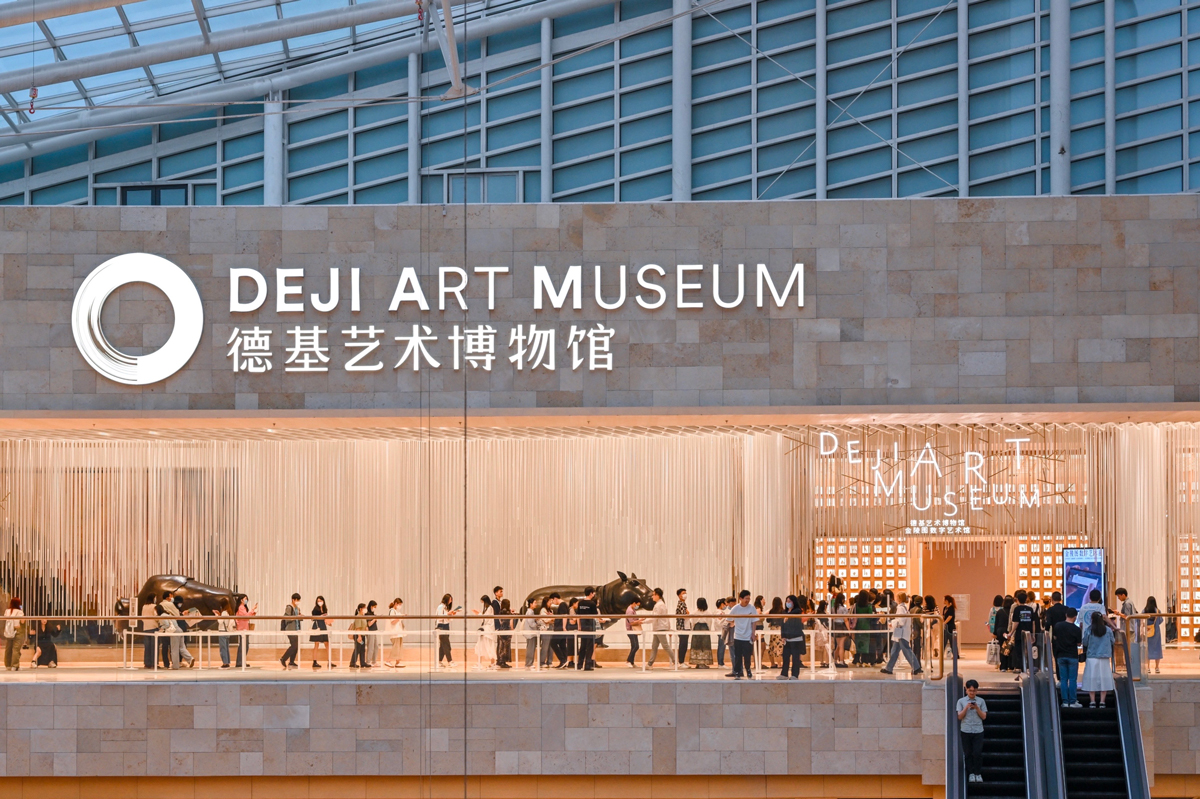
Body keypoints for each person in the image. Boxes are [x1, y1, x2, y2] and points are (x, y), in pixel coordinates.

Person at [880, 591, 922, 676]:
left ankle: (916, 667)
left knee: (906, 649)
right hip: (901, 632)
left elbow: (901, 621)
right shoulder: (903, 607)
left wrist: (893, 623)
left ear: (899, 598)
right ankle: (889, 668)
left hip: (901, 632)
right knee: (894, 650)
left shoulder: (901, 608)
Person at [1082, 609, 1116, 707]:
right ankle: (1102, 701)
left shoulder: (1089, 630)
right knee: (1104, 679)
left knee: (1091, 678)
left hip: (1092, 657)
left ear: (1092, 619)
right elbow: (1112, 641)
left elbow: (1085, 642)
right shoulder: (1108, 630)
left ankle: (1092, 701)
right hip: (1104, 657)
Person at [957, 679, 988, 784]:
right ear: (966, 690)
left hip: (978, 730)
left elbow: (984, 716)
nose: (972, 693)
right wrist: (966, 707)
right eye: (970, 691)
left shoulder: (981, 701)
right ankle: (970, 773)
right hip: (965, 730)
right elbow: (960, 716)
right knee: (968, 753)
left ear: (977, 691)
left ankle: (978, 773)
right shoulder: (961, 701)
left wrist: (977, 708)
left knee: (977, 752)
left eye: (974, 691)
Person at [1052, 606, 1082, 708]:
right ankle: (1073, 701)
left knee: (1063, 679)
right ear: (1075, 617)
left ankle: (1065, 702)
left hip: (1060, 655)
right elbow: (1078, 643)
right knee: (1073, 679)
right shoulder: (1077, 629)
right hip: (1072, 656)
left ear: (1066, 615)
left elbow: (1055, 637)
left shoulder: (1058, 626)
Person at [1008, 589, 1040, 676]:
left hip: (1020, 633)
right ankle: (1028, 666)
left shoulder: (1017, 609)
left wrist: (1011, 633)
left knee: (1019, 651)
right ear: (1026, 599)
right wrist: (1033, 634)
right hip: (1028, 633)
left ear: (1017, 600)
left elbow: (1016, 623)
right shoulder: (1030, 609)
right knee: (1028, 650)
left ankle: (1021, 667)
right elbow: (1033, 623)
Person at [728, 590, 756, 680]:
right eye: (746, 598)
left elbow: (754, 622)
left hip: (748, 636)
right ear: (740, 598)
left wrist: (753, 633)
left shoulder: (752, 608)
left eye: (749, 598)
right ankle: (737, 671)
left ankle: (748, 669)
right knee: (738, 655)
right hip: (738, 636)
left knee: (747, 655)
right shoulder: (736, 608)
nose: (747, 600)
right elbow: (729, 619)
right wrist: (734, 623)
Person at [647, 588, 676, 667]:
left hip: (660, 628)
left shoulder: (659, 605)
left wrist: (643, 621)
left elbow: (654, 617)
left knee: (665, 646)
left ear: (657, 595)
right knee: (654, 646)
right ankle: (650, 664)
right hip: (658, 628)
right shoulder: (659, 604)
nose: (652, 596)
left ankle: (676, 661)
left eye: (653, 595)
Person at [779, 595, 805, 679]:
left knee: (795, 658)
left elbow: (796, 614)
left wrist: (788, 617)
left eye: (790, 601)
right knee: (785, 657)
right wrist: (783, 636)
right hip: (787, 638)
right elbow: (782, 625)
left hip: (796, 638)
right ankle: (784, 674)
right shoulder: (784, 612)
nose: (788, 603)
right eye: (787, 601)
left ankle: (795, 674)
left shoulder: (797, 611)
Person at [577, 587, 599, 670]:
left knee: (583, 645)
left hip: (583, 625)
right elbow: (595, 615)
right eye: (593, 593)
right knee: (590, 646)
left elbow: (578, 615)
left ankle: (579, 664)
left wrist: (579, 625)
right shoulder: (592, 604)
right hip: (590, 625)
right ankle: (587, 665)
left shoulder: (580, 603)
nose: (594, 594)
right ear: (590, 593)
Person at [474, 595, 497, 670]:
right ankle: (479, 662)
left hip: (488, 630)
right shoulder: (487, 608)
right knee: (480, 646)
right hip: (486, 630)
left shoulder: (490, 608)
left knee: (489, 646)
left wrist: (479, 614)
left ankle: (492, 663)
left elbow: (486, 619)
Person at [689, 598, 713, 669]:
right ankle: (704, 662)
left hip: (697, 628)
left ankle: (697, 662)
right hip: (705, 628)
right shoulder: (708, 612)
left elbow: (692, 622)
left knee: (697, 645)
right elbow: (709, 622)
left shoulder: (694, 612)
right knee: (705, 646)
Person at [436, 594, 458, 668]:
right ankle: (450, 661)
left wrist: (451, 615)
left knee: (442, 646)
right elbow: (439, 617)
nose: (450, 601)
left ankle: (439, 661)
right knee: (446, 645)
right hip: (441, 626)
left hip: (446, 626)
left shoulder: (445, 608)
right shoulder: (441, 606)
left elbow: (447, 620)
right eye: (450, 599)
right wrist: (448, 614)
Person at [2, 598, 24, 671]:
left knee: (8, 648)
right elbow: (22, 621)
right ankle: (15, 665)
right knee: (16, 649)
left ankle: (8, 664)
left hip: (9, 631)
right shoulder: (19, 612)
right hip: (17, 631)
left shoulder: (7, 611)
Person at [491, 587, 511, 669]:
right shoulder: (495, 603)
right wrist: (498, 626)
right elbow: (496, 615)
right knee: (501, 644)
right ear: (496, 593)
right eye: (500, 591)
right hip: (500, 625)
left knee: (503, 644)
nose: (502, 593)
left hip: (501, 625)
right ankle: (500, 660)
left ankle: (502, 660)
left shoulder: (499, 602)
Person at [280, 593, 301, 669]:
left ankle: (291, 661)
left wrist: (300, 617)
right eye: (297, 600)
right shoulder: (289, 607)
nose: (298, 601)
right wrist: (296, 617)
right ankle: (283, 658)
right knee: (294, 645)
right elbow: (287, 618)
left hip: (296, 629)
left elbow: (297, 618)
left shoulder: (297, 608)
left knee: (296, 646)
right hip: (290, 629)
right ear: (293, 599)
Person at [235, 596, 257, 668]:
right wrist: (253, 609)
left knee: (245, 645)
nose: (246, 600)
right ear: (241, 600)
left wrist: (252, 612)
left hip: (244, 629)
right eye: (245, 599)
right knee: (243, 646)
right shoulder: (241, 608)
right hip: (242, 629)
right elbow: (245, 616)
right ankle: (240, 662)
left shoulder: (243, 607)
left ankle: (241, 661)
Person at [311, 596, 332, 669]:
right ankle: (314, 661)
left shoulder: (325, 609)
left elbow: (325, 619)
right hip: (317, 626)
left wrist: (329, 622)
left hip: (323, 626)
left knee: (327, 643)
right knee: (316, 644)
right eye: (318, 601)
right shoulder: (315, 609)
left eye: (320, 600)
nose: (319, 602)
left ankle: (329, 661)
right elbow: (312, 618)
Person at [1143, 596, 1163, 674]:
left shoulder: (1144, 610)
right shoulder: (1158, 611)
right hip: (1156, 632)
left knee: (1147, 649)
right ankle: (1157, 667)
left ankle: (1148, 668)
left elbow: (1140, 620)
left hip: (1147, 632)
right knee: (1157, 648)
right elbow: (1161, 620)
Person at [386, 598, 405, 668]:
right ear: (396, 604)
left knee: (399, 647)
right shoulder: (392, 611)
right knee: (396, 647)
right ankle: (388, 660)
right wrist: (400, 618)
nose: (400, 606)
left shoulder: (396, 612)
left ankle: (398, 662)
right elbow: (393, 621)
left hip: (399, 632)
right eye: (399, 604)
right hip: (394, 633)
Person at [522, 599, 542, 669]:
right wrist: (537, 624)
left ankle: (529, 663)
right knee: (530, 649)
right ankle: (528, 664)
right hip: (531, 633)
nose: (536, 604)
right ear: (531, 604)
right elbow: (531, 623)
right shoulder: (530, 612)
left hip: (531, 633)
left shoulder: (531, 612)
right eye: (535, 603)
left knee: (531, 648)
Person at [766, 597, 785, 668]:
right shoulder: (782, 611)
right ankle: (780, 663)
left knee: (772, 646)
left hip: (773, 629)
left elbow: (768, 620)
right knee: (779, 646)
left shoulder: (771, 611)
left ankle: (772, 663)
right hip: (780, 629)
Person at [140, 599, 158, 669]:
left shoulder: (144, 606)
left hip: (146, 627)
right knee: (154, 646)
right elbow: (156, 616)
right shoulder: (154, 606)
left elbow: (142, 617)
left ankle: (147, 663)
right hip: (153, 627)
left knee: (147, 647)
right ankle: (154, 663)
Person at [349, 603, 368, 668]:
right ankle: (352, 662)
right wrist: (359, 636)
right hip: (358, 635)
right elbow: (358, 628)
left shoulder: (363, 616)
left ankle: (362, 662)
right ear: (360, 609)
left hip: (362, 635)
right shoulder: (358, 616)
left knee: (362, 649)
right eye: (364, 608)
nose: (366, 609)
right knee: (357, 649)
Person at [625, 598, 642, 667]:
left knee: (634, 646)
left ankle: (631, 662)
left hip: (633, 630)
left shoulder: (633, 610)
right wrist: (639, 621)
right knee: (636, 646)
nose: (637, 607)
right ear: (634, 603)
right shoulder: (630, 611)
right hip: (631, 630)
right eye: (637, 605)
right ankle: (628, 660)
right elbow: (631, 622)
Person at [675, 588, 690, 666]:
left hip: (685, 627)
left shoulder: (683, 603)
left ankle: (682, 661)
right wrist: (688, 613)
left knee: (684, 644)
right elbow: (685, 615)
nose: (685, 594)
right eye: (683, 593)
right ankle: (681, 661)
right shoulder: (681, 604)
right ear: (679, 595)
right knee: (683, 644)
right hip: (682, 627)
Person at [942, 595, 959, 661]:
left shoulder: (951, 608)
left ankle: (956, 654)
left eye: (944, 599)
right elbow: (943, 616)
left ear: (946, 600)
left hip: (950, 626)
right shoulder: (945, 608)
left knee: (952, 641)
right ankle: (942, 654)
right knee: (944, 641)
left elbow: (950, 616)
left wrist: (945, 622)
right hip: (945, 627)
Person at [364, 600, 380, 667]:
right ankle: (368, 661)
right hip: (370, 631)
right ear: (371, 606)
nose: (375, 608)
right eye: (374, 606)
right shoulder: (367, 614)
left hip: (374, 631)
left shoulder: (373, 614)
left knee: (376, 646)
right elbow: (369, 624)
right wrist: (374, 619)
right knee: (370, 646)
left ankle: (374, 661)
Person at [714, 598, 728, 668]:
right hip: (721, 631)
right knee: (721, 647)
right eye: (725, 604)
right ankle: (720, 663)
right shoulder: (719, 612)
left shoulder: (719, 612)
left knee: (721, 646)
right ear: (722, 604)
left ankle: (721, 662)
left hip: (721, 631)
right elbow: (719, 622)